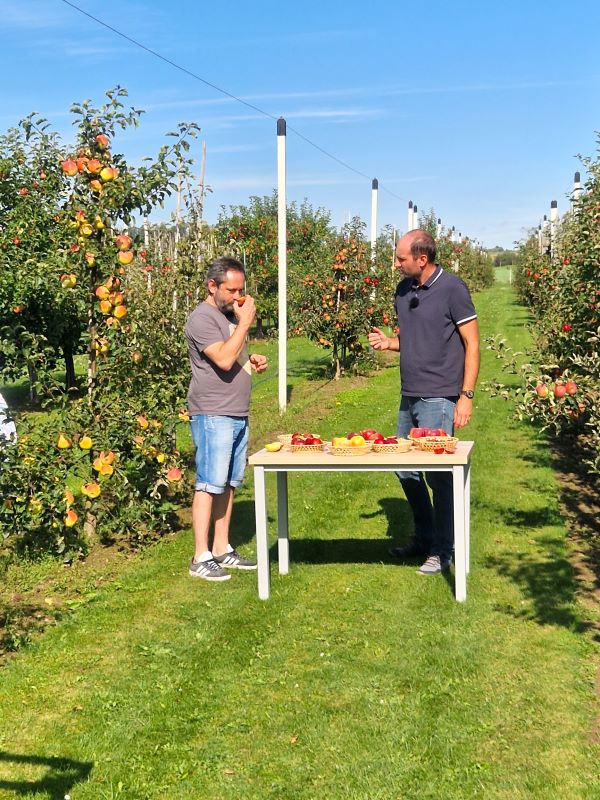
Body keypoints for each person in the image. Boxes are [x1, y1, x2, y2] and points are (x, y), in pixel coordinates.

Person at [368, 230, 480, 575]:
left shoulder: (453, 289)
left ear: (422, 259)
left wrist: (465, 396)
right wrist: (390, 343)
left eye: (401, 258)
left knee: (439, 474)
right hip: (409, 394)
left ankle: (443, 550)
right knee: (404, 466)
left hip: (440, 395)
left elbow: (472, 344)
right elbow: (416, 338)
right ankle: (425, 536)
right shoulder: (403, 290)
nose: (395, 264)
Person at [185, 257, 268, 581]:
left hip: (236, 411)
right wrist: (245, 323)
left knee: (229, 483)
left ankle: (221, 548)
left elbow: (232, 354)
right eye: (231, 291)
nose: (238, 297)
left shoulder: (229, 316)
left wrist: (251, 358)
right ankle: (200, 556)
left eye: (241, 290)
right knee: (209, 483)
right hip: (213, 412)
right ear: (212, 286)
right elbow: (221, 359)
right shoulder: (201, 319)